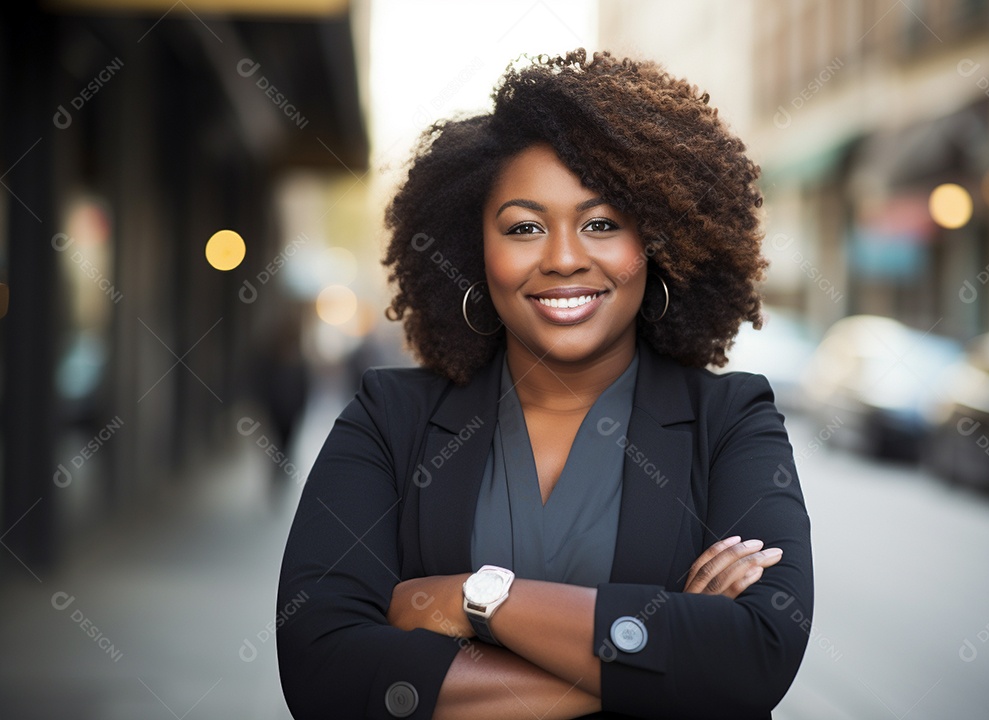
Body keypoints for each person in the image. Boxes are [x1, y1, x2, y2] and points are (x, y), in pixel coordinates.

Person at [277, 49, 813, 720]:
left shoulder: (732, 421)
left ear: (655, 245)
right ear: (477, 250)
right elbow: (322, 672)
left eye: (602, 224)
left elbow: (756, 655)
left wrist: (476, 598)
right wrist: (663, 671)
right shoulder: (390, 418)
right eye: (525, 227)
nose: (563, 258)